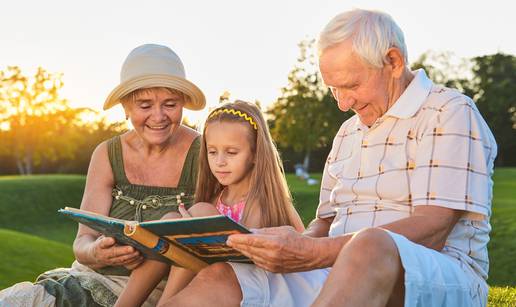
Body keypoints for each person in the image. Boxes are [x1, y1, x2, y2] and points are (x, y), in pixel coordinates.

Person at [160, 9, 497, 307]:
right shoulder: (348, 132)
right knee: (224, 276)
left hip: (442, 276)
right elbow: (323, 224)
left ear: (393, 62)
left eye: (350, 86)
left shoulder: (449, 112)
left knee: (370, 245)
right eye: (333, 89)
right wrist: (284, 247)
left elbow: (434, 227)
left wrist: (312, 254)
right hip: (335, 268)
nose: (342, 103)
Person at [0, 43, 206, 307]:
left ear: (183, 104)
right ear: (126, 107)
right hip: (91, 281)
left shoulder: (206, 153)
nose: (159, 116)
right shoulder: (107, 154)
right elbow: (82, 242)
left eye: (170, 104)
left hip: (160, 294)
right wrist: (97, 253)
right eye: (144, 105)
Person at [115, 100, 305, 307]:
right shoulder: (216, 199)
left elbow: (304, 257)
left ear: (255, 155)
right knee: (171, 220)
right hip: (204, 281)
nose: (220, 161)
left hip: (246, 288)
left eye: (231, 152)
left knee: (196, 218)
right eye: (212, 152)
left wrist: (192, 233)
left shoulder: (264, 204)